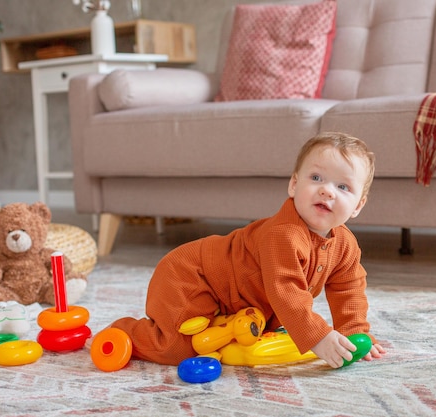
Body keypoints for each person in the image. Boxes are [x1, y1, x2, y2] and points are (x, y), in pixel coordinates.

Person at [109, 132, 386, 368]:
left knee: (236, 337)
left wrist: (354, 332)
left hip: (233, 299)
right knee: (179, 348)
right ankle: (124, 332)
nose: (327, 191)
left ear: (358, 205)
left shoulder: (345, 244)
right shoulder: (283, 235)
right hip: (191, 276)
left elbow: (349, 289)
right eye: (316, 177)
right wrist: (316, 337)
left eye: (343, 186)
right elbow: (286, 293)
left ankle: (224, 321)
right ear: (293, 184)